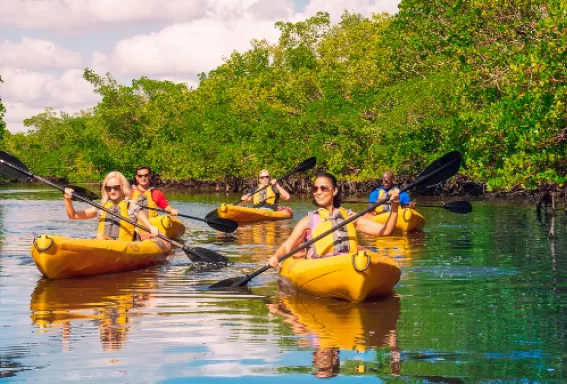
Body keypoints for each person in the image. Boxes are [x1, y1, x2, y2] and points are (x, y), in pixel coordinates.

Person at [267, 171, 399, 269]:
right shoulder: (308, 221)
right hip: (320, 268)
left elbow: (385, 231)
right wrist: (275, 256)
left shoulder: (350, 217)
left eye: (323, 188)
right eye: (315, 189)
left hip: (349, 264)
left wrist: (394, 207)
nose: (318, 192)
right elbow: (287, 246)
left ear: (334, 191)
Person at [64, 171, 161, 242]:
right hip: (104, 245)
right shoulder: (101, 208)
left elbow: (148, 224)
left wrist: (152, 228)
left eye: (116, 187)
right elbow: (73, 215)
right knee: (99, 237)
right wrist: (68, 200)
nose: (112, 191)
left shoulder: (132, 206)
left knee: (99, 237)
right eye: (108, 188)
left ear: (122, 187)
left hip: (125, 248)